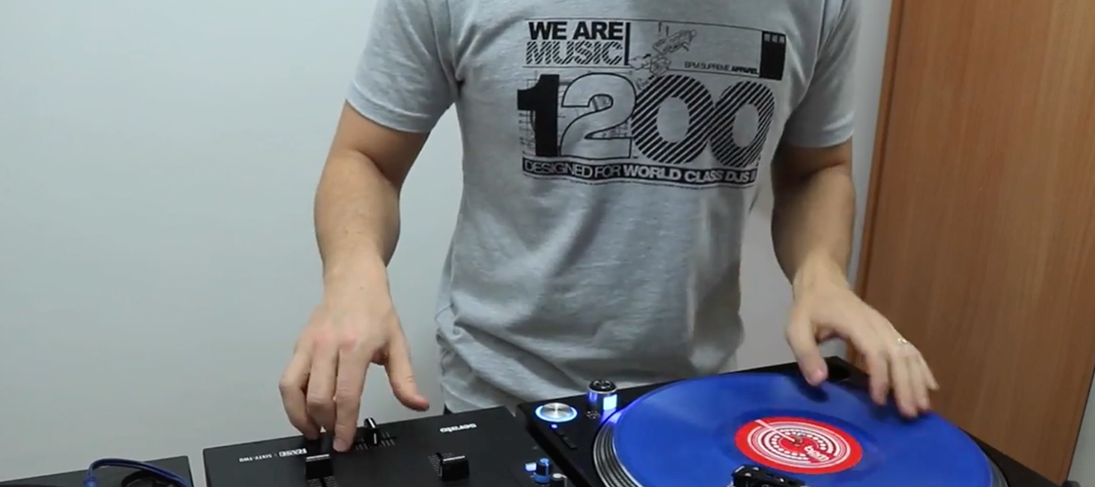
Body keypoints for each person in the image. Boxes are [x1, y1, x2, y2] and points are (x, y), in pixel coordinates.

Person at [280, 0, 938, 452]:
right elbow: (365, 158)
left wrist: (821, 273)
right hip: (499, 405)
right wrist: (353, 275)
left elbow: (817, 169)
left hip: (694, 407)